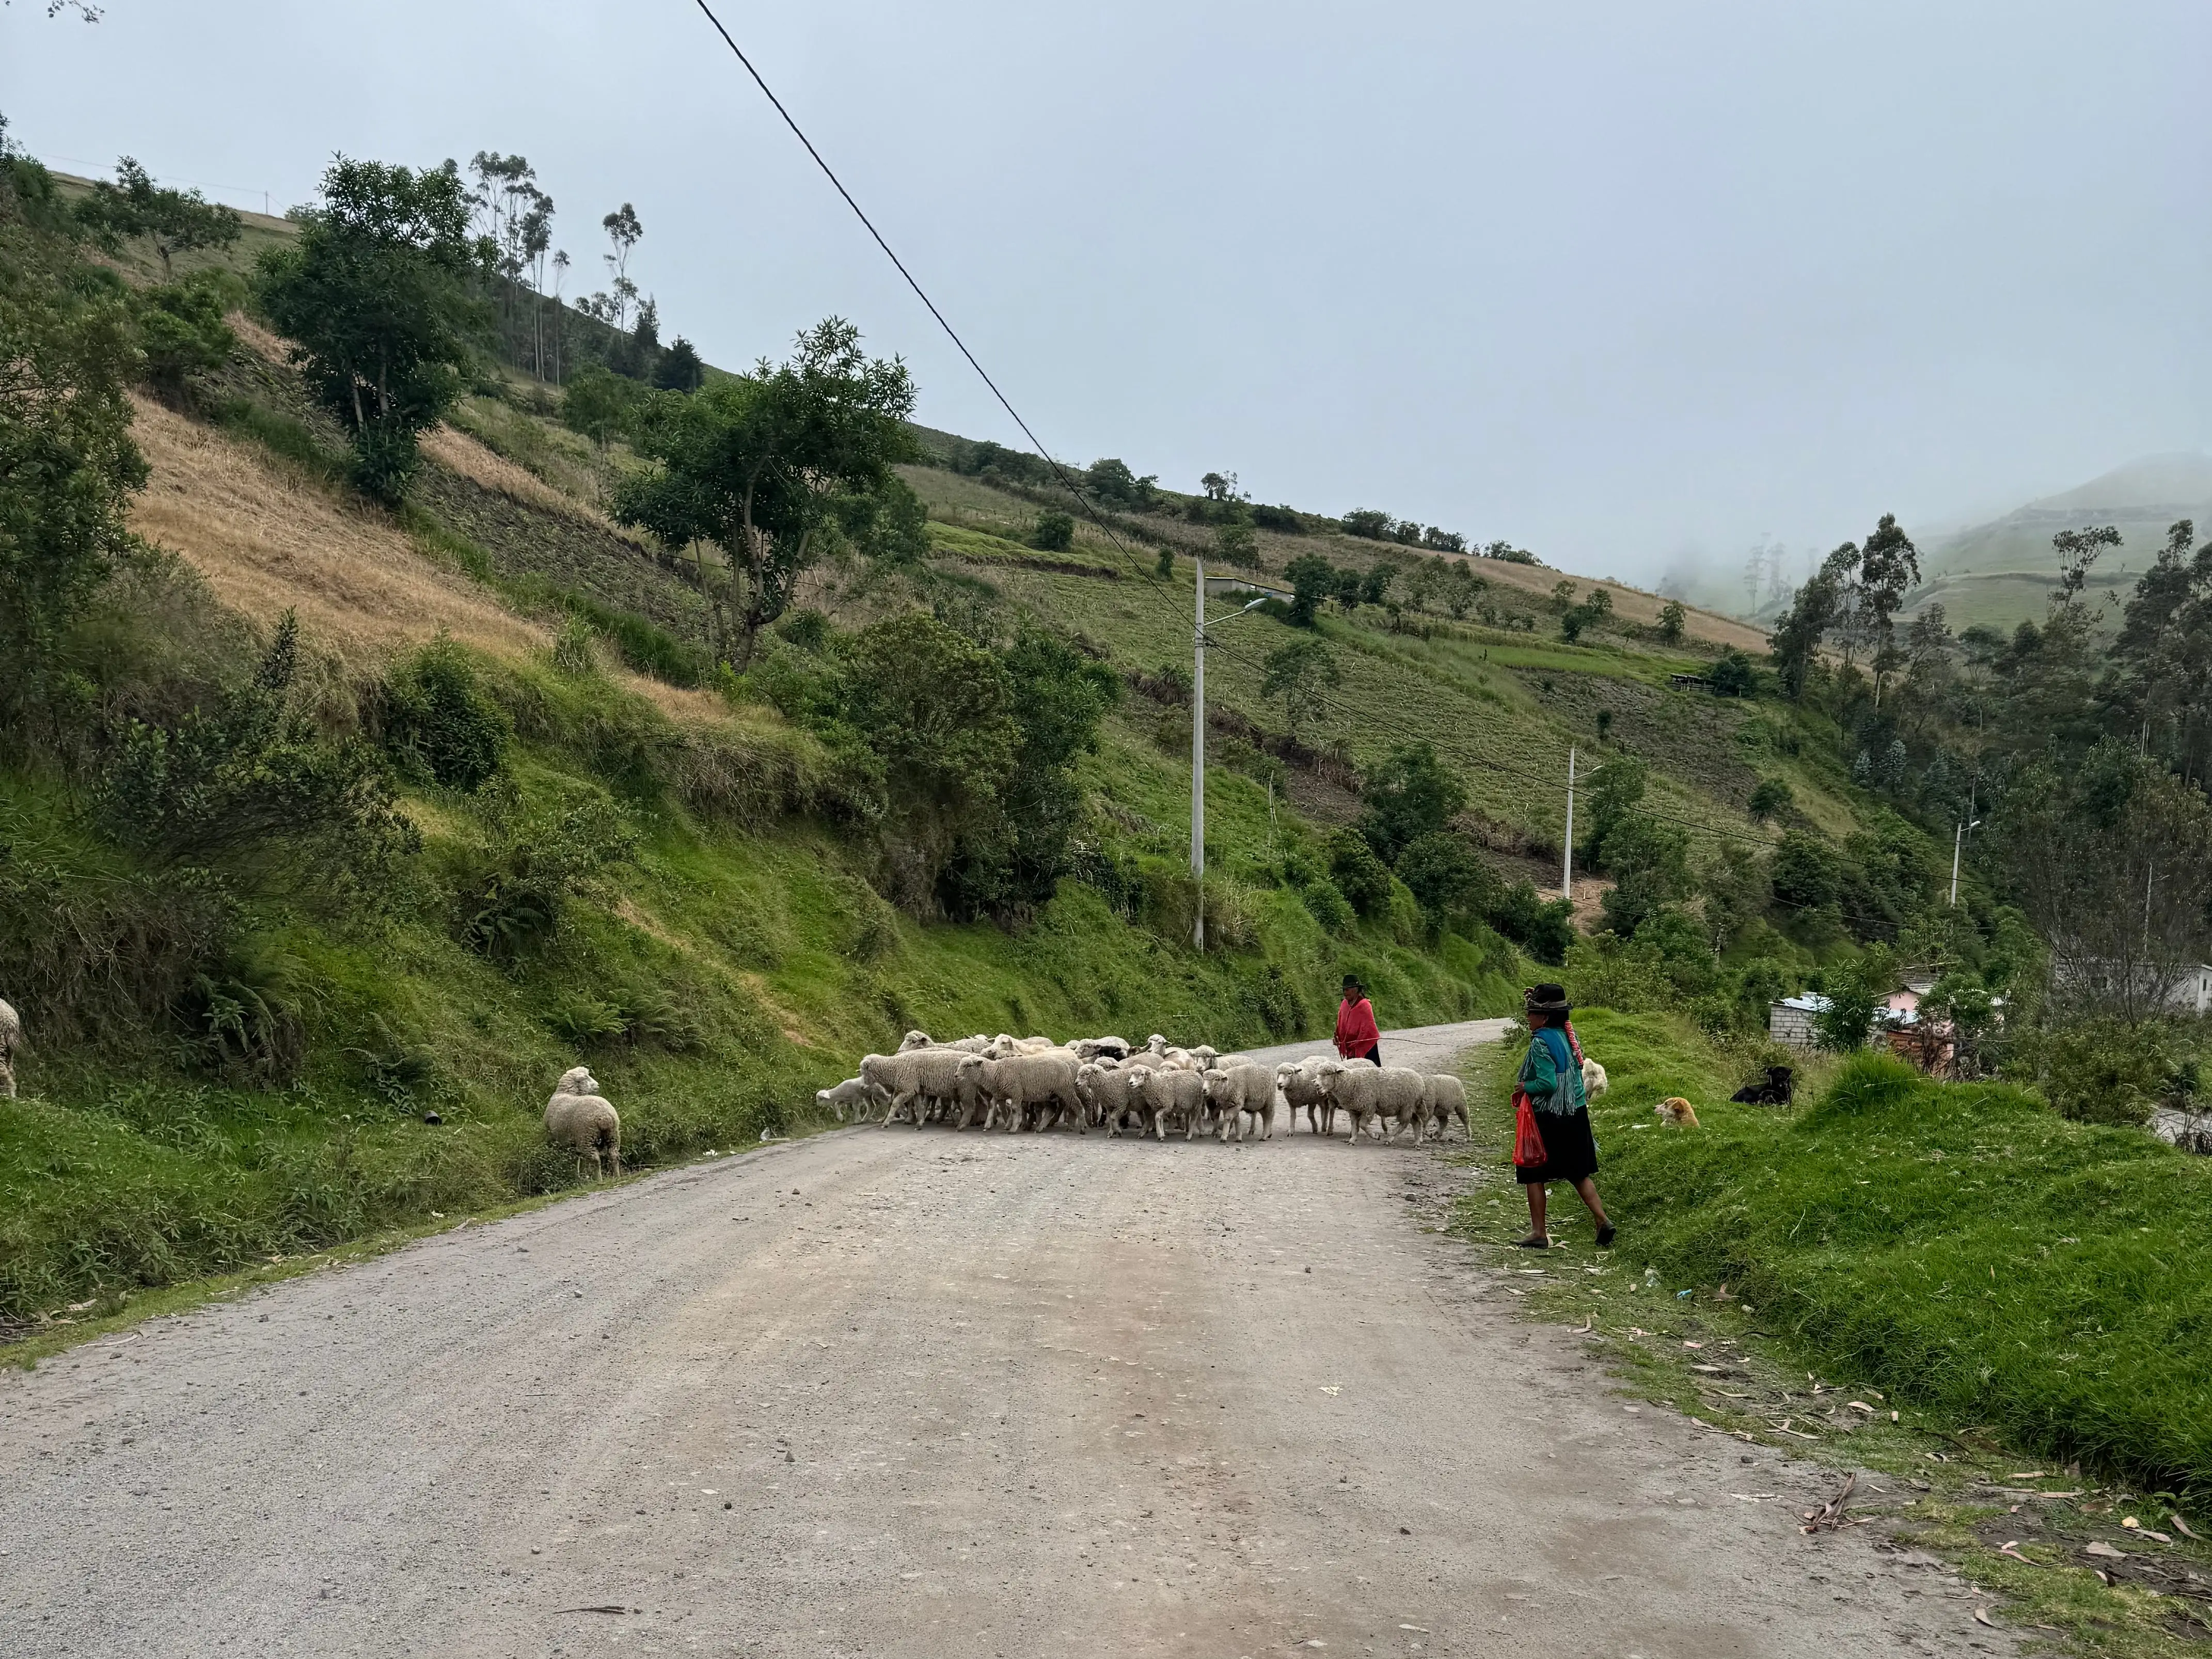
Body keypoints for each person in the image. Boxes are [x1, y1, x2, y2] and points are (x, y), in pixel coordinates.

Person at [1514, 983, 1613, 1250]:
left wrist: (1526, 1087)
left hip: (1550, 1117)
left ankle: (1539, 1233)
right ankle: (1602, 1220)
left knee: (1533, 1171)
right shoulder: (1569, 1037)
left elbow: (1547, 1084)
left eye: (1532, 1012)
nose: (1528, 1018)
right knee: (1578, 1172)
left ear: (1544, 1017)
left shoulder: (1541, 1042)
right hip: (1576, 1113)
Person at [1334, 975, 1381, 1067]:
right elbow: (1341, 1024)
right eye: (1344, 990)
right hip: (1351, 1048)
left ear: (1355, 989)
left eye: (1347, 990)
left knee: (1371, 1073)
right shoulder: (1344, 1005)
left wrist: (1358, 1043)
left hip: (1366, 1047)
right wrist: (1338, 1038)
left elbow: (1368, 1029)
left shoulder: (1364, 1005)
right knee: (1353, 1074)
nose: (1345, 992)